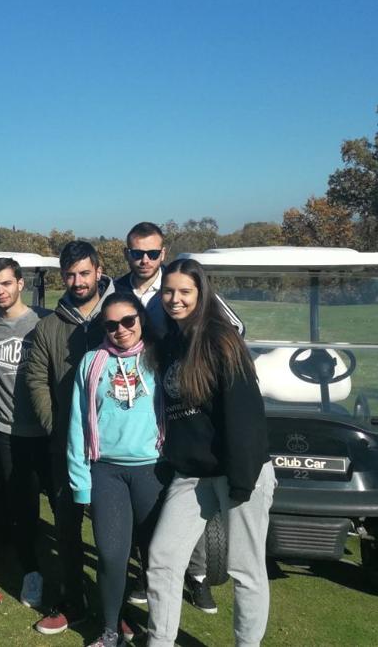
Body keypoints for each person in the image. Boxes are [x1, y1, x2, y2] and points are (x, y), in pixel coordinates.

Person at [145, 258, 274, 647]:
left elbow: (245, 416)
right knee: (162, 559)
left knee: (244, 569)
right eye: (168, 291)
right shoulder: (170, 344)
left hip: (240, 471)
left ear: (201, 294)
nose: (175, 299)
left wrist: (241, 481)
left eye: (185, 291)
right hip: (193, 473)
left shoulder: (223, 341)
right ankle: (160, 641)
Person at [114, 221, 239, 613]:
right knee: (152, 501)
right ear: (127, 254)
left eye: (152, 252)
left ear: (163, 253)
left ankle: (198, 577)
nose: (145, 259)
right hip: (140, 404)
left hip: (181, 401)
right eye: (137, 253)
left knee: (190, 496)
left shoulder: (178, 283)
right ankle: (145, 570)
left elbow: (233, 328)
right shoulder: (116, 290)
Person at [24, 240, 113, 635]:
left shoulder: (120, 316)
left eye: (84, 273)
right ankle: (73, 600)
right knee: (67, 530)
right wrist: (58, 431)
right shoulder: (50, 326)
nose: (78, 281)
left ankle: (115, 608)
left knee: (114, 535)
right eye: (70, 275)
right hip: (67, 447)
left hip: (117, 450)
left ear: (98, 270)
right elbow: (37, 380)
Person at [67, 293, 165, 647]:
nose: (121, 329)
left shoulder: (159, 357)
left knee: (156, 557)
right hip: (106, 472)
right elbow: (78, 423)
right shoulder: (92, 362)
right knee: (110, 555)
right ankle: (110, 631)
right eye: (111, 324)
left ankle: (161, 631)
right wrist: (80, 481)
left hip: (152, 471)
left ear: (140, 319)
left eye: (128, 321)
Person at [0, 258, 45, 607]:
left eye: (6, 283)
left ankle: (66, 572)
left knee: (64, 508)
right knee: (22, 508)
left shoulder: (44, 321)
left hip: (47, 432)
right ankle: (31, 572)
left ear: (20, 283)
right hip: (7, 433)